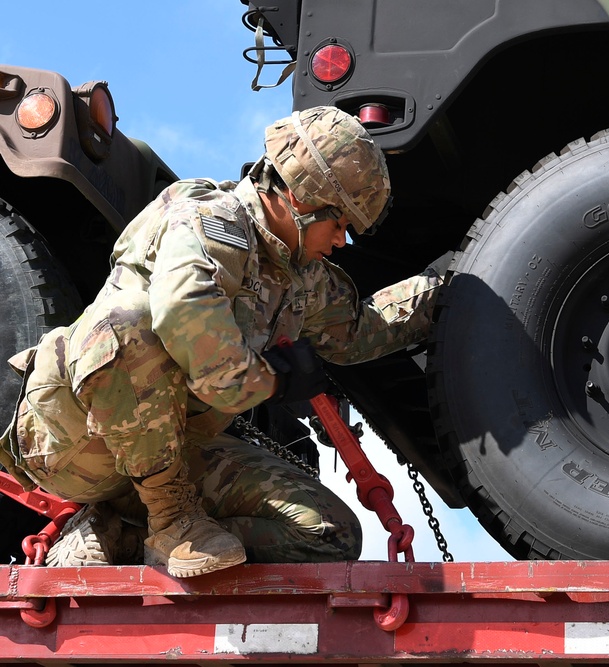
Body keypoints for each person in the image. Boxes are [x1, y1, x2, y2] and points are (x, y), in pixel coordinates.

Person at [0, 106, 443, 578]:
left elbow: (358, 330)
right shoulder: (207, 222)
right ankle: (171, 523)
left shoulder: (304, 278)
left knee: (329, 533)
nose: (341, 242)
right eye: (340, 224)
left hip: (170, 450)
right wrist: (274, 380)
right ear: (301, 197)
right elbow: (186, 321)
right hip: (73, 442)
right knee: (129, 327)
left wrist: (449, 292)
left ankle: (118, 531)